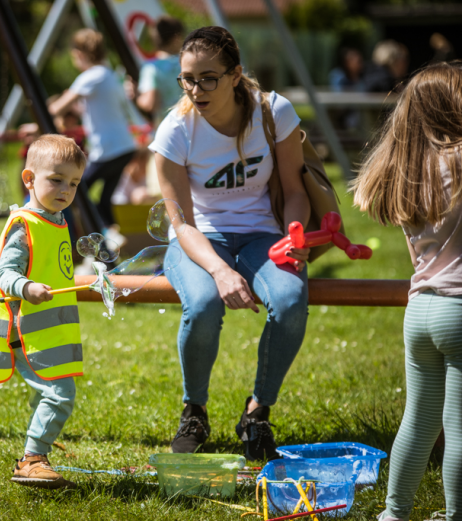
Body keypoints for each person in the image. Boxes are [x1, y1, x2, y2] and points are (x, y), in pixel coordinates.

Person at [148, 26, 310, 460]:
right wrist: (220, 271)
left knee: (291, 299)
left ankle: (257, 412)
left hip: (264, 234)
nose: (195, 89)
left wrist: (295, 236)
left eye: (208, 78)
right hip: (201, 238)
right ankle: (194, 410)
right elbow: (181, 223)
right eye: (187, 78)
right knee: (202, 304)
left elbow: (295, 190)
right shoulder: (175, 131)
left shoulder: (274, 111)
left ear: (236, 75)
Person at [353, 61, 462, 521]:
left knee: (417, 422)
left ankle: (394, 512)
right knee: (458, 427)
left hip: (419, 312)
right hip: (459, 310)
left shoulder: (406, 170)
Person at [0, 134, 86, 489]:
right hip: (24, 331)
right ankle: (32, 459)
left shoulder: (56, 219)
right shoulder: (24, 223)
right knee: (60, 394)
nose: (66, 189)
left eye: (73, 183)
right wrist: (26, 287)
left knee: (47, 393)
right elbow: (6, 273)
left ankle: (36, 452)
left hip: (46, 332)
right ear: (29, 179)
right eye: (56, 180)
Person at [49, 29, 136, 247]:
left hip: (108, 149)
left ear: (80, 53)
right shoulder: (109, 75)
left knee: (74, 191)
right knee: (103, 199)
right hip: (126, 146)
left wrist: (37, 121)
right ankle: (110, 238)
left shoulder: (89, 77)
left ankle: (97, 239)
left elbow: (57, 107)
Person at [126, 16, 185, 127]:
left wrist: (136, 95)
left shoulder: (151, 68)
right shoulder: (186, 61)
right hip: (194, 121)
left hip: (172, 127)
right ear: (176, 38)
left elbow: (150, 103)